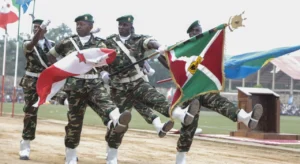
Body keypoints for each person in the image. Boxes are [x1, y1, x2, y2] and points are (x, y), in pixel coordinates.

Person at [159, 20, 264, 164]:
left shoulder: (205, 48)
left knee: (220, 102)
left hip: (203, 87)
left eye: (200, 30)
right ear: (190, 33)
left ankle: (245, 118)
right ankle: (180, 158)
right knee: (190, 125)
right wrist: (174, 70)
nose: (198, 33)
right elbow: (162, 57)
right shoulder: (183, 46)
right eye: (195, 31)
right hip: (188, 89)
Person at [100, 15, 200, 164]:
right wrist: (103, 72)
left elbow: (150, 42)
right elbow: (100, 57)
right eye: (120, 25)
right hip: (118, 87)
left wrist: (160, 47)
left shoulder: (138, 39)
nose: (122, 27)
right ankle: (112, 155)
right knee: (120, 123)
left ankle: (181, 115)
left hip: (137, 82)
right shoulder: (109, 41)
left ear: (131, 26)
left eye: (125, 25)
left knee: (156, 99)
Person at [46, 14, 131, 164]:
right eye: (77, 24)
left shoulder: (99, 43)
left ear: (91, 27)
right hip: (75, 85)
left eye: (82, 24)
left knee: (107, 103)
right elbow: (51, 55)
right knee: (74, 122)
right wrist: (62, 68)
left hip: (94, 83)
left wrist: (104, 69)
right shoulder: (67, 41)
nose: (79, 26)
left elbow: (111, 58)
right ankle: (71, 155)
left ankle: (117, 120)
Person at [18, 19, 54, 160]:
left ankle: (71, 149)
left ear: (46, 30)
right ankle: (25, 145)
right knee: (30, 112)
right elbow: (32, 44)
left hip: (47, 81)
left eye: (40, 28)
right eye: (35, 27)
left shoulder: (52, 45)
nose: (36, 29)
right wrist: (39, 31)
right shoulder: (27, 42)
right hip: (31, 81)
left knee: (72, 108)